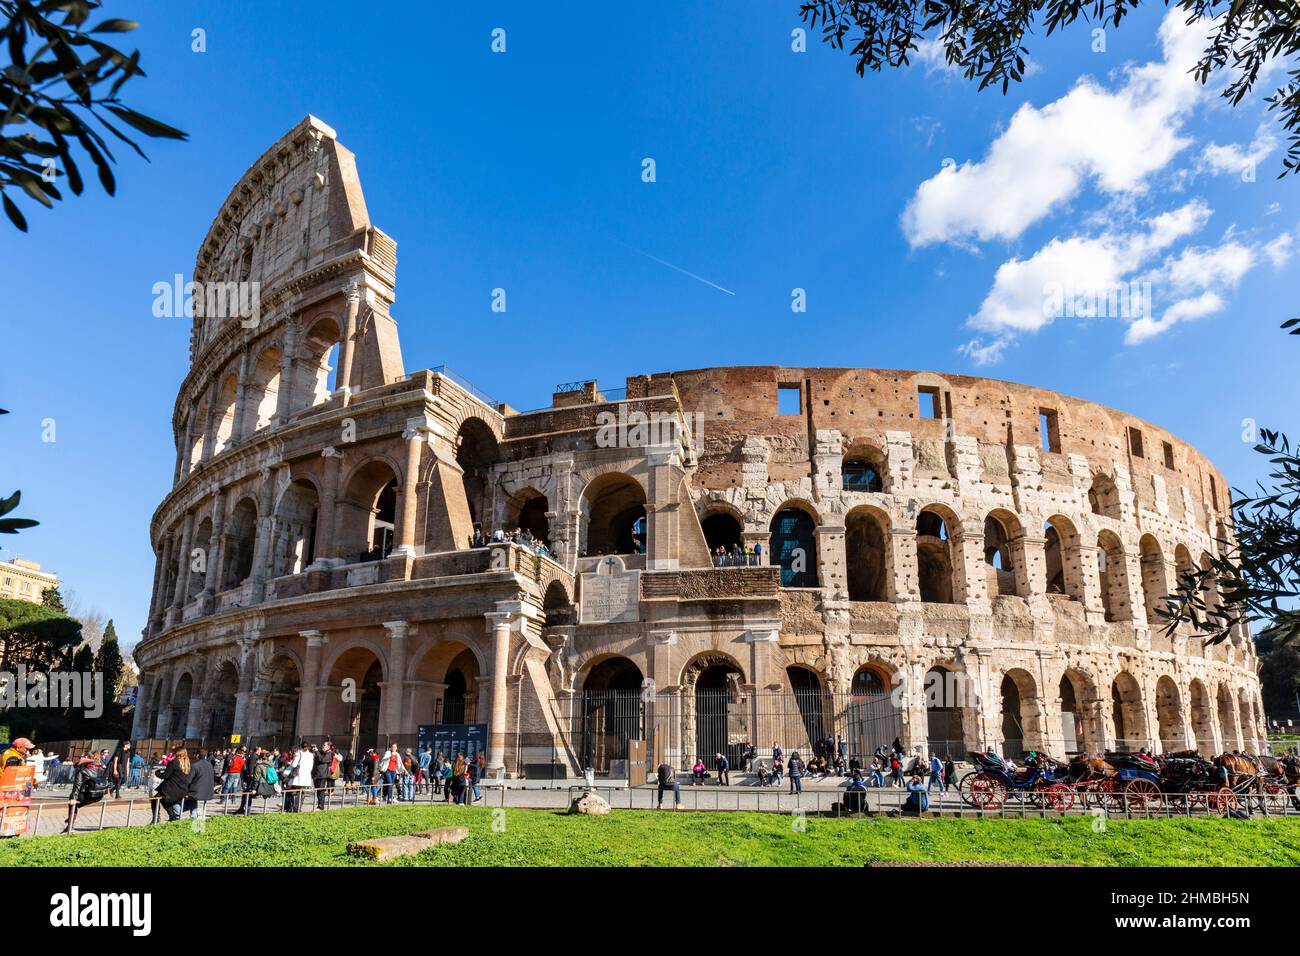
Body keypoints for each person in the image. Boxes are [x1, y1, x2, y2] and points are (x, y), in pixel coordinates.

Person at [154, 747, 191, 822]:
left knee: (157, 798)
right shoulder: (187, 764)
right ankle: (173, 817)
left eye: (174, 752)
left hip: (172, 789)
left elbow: (165, 776)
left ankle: (168, 817)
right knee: (167, 800)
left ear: (177, 753)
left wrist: (157, 773)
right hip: (182, 789)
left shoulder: (173, 762)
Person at [185, 749, 215, 821]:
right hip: (208, 792)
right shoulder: (210, 765)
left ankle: (194, 817)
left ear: (198, 755)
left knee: (188, 799)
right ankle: (197, 819)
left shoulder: (195, 766)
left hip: (196, 793)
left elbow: (188, 780)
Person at [288, 741, 315, 811]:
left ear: (301, 746)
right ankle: (299, 808)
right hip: (306, 776)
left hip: (297, 775)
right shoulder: (311, 755)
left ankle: (293, 808)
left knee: (294, 791)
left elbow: (294, 765)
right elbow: (311, 767)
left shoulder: (298, 754)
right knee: (302, 792)